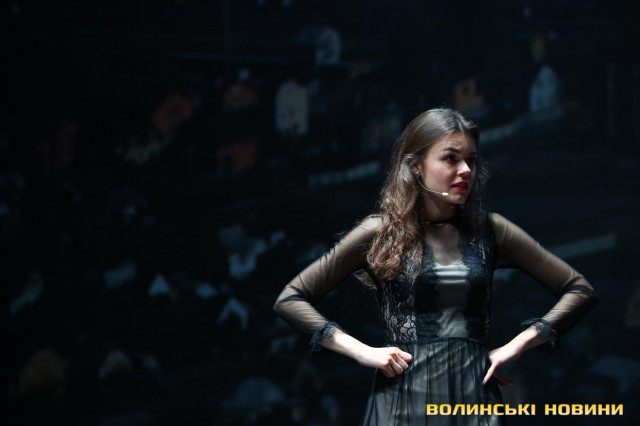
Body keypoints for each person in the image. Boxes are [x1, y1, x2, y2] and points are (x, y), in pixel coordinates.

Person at [273, 108, 598, 425]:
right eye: (451, 158)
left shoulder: (491, 231)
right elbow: (290, 299)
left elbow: (579, 290)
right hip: (403, 400)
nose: (466, 170)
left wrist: (518, 345)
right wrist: (361, 351)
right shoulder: (379, 232)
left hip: (473, 396)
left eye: (471, 160)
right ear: (416, 166)